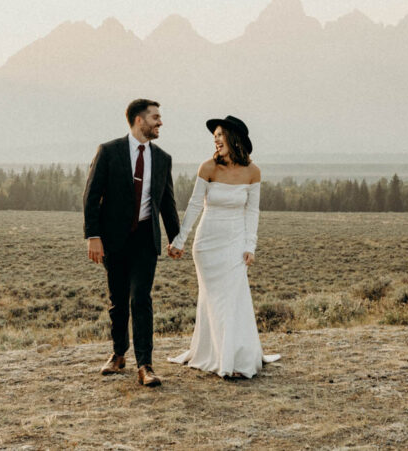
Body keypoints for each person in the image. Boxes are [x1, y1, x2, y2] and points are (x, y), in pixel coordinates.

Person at [167, 115, 280, 378]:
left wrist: (250, 245)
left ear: (233, 138)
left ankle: (236, 358)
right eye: (214, 136)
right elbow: (195, 205)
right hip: (207, 245)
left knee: (234, 299)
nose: (216, 140)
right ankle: (217, 355)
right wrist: (180, 240)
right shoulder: (207, 167)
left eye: (220, 135)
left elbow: (252, 212)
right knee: (214, 300)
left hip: (235, 243)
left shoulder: (253, 172)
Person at [83, 99, 180, 387]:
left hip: (145, 242)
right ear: (139, 120)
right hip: (113, 240)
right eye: (155, 117)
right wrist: (93, 236)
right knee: (118, 301)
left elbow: (167, 203)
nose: (160, 122)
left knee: (141, 299)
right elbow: (91, 196)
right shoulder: (109, 151)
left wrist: (177, 239)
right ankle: (118, 354)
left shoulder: (162, 159)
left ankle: (145, 366)